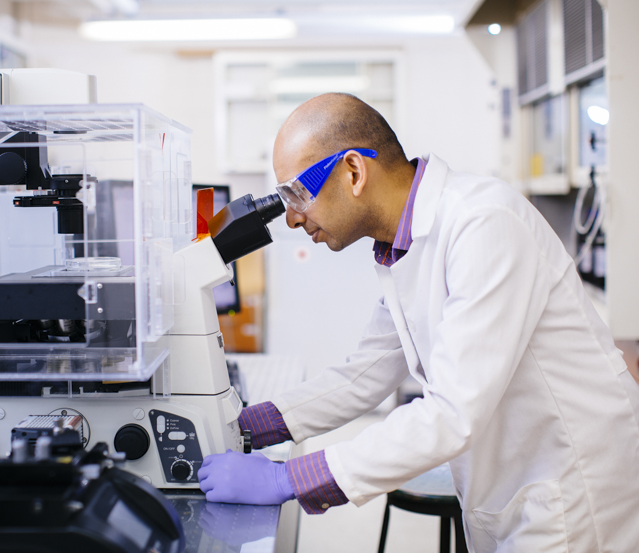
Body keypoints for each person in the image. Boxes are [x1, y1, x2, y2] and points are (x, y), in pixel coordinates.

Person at [197, 93, 639, 552]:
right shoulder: (403, 248)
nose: (290, 218)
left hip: (575, 490)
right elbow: (364, 375)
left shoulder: (483, 223)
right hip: (520, 488)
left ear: (354, 171)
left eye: (296, 194)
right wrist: (248, 424)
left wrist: (289, 478)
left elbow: (450, 412)